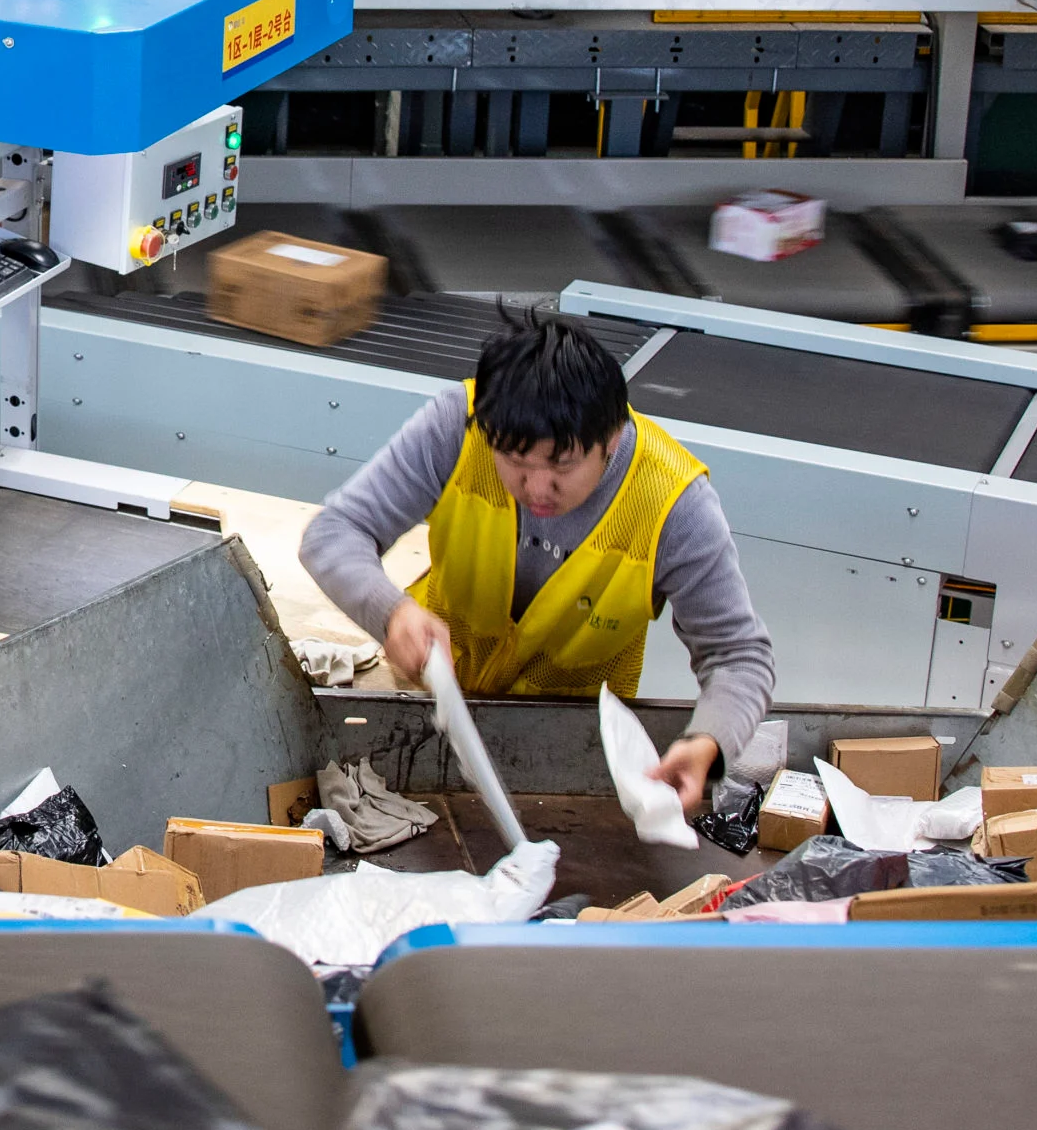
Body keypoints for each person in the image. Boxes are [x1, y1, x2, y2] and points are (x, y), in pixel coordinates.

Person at [297, 309, 774, 818]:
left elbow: (739, 656)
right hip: (429, 708)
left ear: (612, 437)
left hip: (571, 747)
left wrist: (708, 743)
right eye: (515, 462)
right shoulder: (459, 425)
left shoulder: (673, 503)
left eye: (562, 466)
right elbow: (334, 533)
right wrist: (391, 612)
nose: (536, 489)